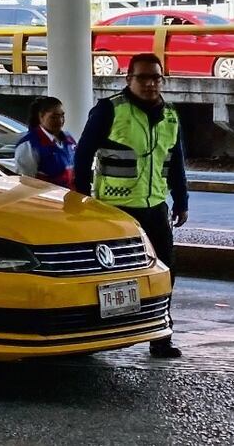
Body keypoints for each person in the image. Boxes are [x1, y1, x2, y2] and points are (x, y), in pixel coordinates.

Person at [75, 53, 188, 359]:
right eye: (143, 77)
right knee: (111, 277)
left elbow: (175, 160)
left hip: (155, 208)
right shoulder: (109, 110)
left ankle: (161, 336)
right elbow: (83, 155)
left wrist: (182, 200)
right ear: (129, 79)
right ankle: (97, 335)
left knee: (164, 273)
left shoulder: (170, 115)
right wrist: (81, 199)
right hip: (116, 210)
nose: (151, 83)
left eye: (156, 77)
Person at [14, 96, 76, 189]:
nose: (60, 121)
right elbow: (27, 184)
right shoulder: (29, 145)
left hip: (72, 198)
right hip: (49, 199)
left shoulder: (69, 139)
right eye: (54, 117)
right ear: (41, 116)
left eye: (62, 116)